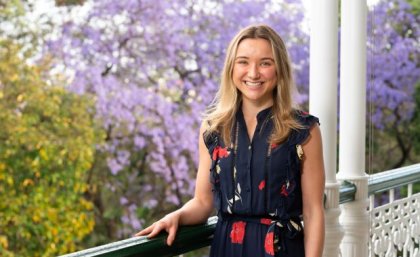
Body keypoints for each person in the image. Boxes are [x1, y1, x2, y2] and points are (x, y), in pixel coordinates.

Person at [135, 24, 325, 257]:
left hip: (282, 249)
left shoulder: (304, 130)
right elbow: (203, 202)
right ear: (231, 68)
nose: (253, 73)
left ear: (280, 69)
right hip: (228, 248)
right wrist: (176, 216)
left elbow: (314, 211)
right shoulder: (213, 128)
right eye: (243, 61)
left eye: (265, 63)